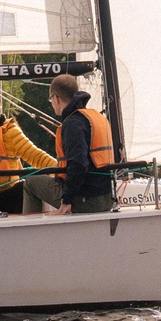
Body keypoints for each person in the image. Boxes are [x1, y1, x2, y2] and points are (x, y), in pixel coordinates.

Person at [20, 73, 116, 216]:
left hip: (86, 200)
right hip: (107, 198)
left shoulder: (72, 123)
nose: (51, 103)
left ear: (56, 98)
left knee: (30, 182)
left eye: (50, 99)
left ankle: (30, 232)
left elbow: (78, 164)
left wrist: (66, 201)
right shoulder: (96, 118)